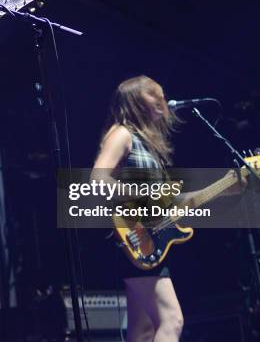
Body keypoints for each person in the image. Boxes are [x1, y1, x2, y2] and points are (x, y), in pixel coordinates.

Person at [93, 76, 183, 342]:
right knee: (172, 321)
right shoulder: (122, 134)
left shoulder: (147, 143)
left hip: (148, 238)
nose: (161, 101)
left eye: (162, 95)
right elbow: (98, 181)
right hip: (132, 235)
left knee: (142, 331)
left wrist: (227, 187)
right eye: (153, 95)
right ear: (136, 102)